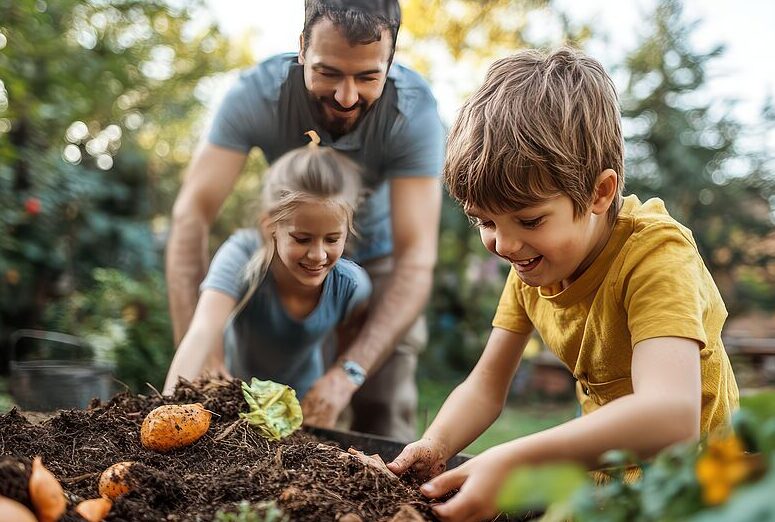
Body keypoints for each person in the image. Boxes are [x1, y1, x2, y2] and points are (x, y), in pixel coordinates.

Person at [386, 47, 740, 521]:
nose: (503, 244)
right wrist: (435, 444)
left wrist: (516, 459)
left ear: (599, 192)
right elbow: (487, 385)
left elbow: (671, 417)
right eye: (483, 221)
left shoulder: (656, 258)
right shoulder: (533, 265)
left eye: (529, 220)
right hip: (612, 483)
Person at [165, 0, 444, 440]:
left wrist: (348, 372)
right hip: (283, 250)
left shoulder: (413, 113)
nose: (346, 96)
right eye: (328, 73)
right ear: (301, 49)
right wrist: (200, 357)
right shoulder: (257, 95)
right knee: (233, 400)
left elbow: (416, 258)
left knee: (383, 412)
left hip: (379, 258)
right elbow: (191, 216)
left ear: (390, 62)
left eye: (368, 76)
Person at [163, 141, 371, 399]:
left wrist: (337, 382)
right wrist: (168, 403)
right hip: (235, 400)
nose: (318, 255)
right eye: (302, 239)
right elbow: (203, 329)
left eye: (331, 239)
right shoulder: (242, 256)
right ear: (270, 225)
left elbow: (355, 335)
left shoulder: (352, 285)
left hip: (302, 409)